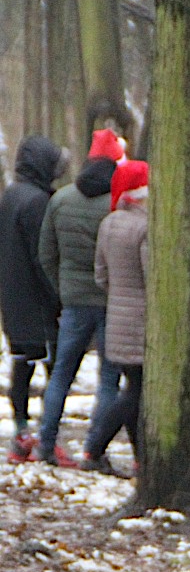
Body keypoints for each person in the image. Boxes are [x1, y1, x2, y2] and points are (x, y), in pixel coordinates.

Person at [35, 127, 124, 465]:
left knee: (61, 374)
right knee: (109, 380)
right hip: (110, 302)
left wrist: (63, 287)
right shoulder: (117, 205)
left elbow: (46, 253)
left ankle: (46, 443)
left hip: (73, 301)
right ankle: (93, 449)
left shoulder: (61, 200)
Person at [0, 135, 67, 461]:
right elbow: (43, 258)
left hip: (13, 300)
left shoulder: (10, 196)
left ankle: (21, 432)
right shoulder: (37, 202)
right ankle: (48, 437)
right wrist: (58, 295)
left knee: (22, 364)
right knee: (56, 369)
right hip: (38, 304)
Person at [83, 160, 149, 473]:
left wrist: (119, 294)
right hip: (141, 322)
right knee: (135, 392)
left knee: (134, 388)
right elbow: (152, 277)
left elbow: (100, 275)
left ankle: (140, 458)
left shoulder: (108, 224)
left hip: (116, 320)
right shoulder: (145, 227)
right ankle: (94, 448)